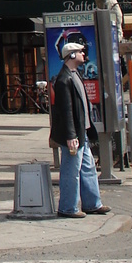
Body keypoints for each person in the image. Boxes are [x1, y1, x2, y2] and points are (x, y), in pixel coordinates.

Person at [50, 40, 111, 218]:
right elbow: (65, 111)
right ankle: (67, 208)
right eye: (81, 52)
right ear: (72, 55)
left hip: (80, 132)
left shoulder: (74, 75)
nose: (84, 54)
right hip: (74, 134)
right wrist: (71, 136)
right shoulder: (64, 79)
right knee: (71, 171)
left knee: (88, 168)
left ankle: (92, 203)